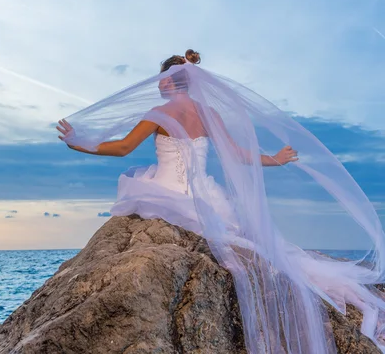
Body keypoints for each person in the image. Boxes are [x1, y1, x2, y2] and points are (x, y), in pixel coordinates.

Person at [57, 49, 385, 354]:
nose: (158, 84)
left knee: (136, 183)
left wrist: (78, 144)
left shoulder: (160, 112)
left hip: (167, 191)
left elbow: (123, 148)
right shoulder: (208, 112)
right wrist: (275, 159)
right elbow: (238, 155)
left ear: (169, 81)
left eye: (160, 78)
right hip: (208, 197)